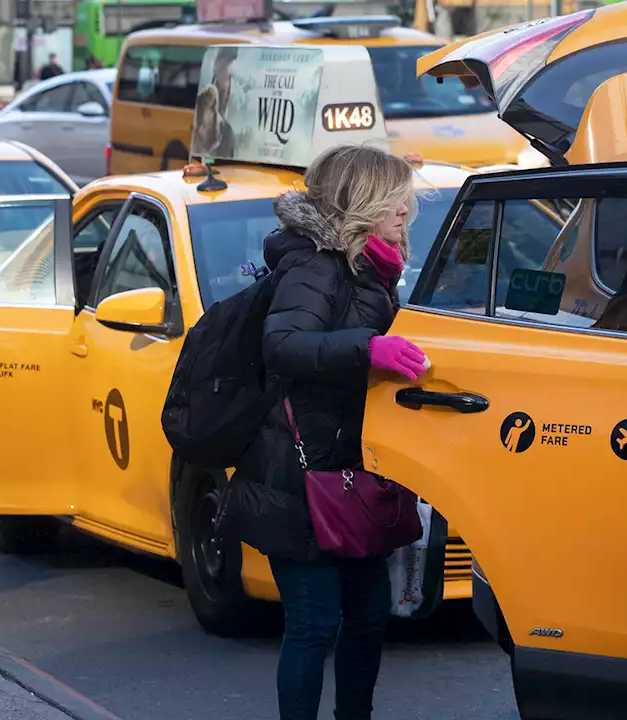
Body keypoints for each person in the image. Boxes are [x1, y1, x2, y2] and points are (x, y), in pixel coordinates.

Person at [224, 144, 429, 720]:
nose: (407, 208)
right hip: (297, 475)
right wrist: (370, 348)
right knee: (315, 624)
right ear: (360, 199)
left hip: (348, 473)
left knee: (367, 620)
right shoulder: (317, 263)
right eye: (396, 197)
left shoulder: (372, 267)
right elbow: (283, 344)